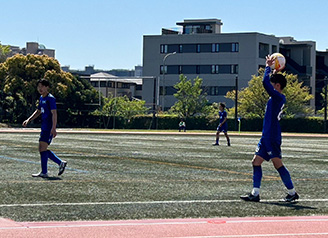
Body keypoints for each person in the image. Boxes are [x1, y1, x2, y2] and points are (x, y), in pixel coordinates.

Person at [240, 55, 299, 202]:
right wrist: (274, 71)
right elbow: (270, 82)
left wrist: (267, 67)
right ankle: (255, 193)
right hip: (266, 136)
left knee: (277, 164)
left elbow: (265, 83)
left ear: (277, 86)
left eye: (274, 84)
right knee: (256, 162)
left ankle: (292, 193)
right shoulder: (276, 97)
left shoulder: (278, 97)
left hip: (272, 137)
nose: (271, 86)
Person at [22, 79, 67, 178]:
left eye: (42, 86)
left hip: (48, 128)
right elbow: (38, 111)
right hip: (44, 127)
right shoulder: (41, 98)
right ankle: (52, 167)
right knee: (42, 149)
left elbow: (54, 113)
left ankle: (53, 167)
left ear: (47, 87)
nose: (40, 88)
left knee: (42, 148)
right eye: (38, 87)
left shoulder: (50, 99)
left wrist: (54, 128)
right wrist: (28, 120)